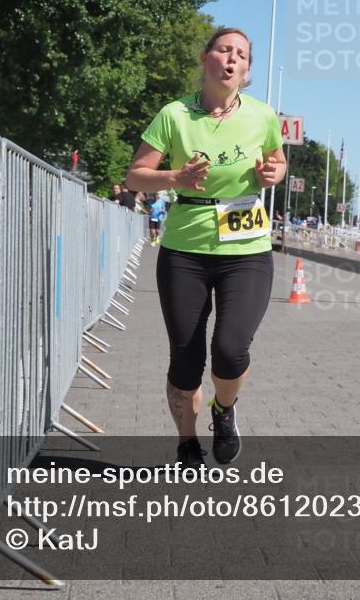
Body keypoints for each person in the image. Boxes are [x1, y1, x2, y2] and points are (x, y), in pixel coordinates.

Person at [125, 27, 286, 468]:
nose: (232, 59)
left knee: (231, 349)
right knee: (186, 359)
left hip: (247, 248)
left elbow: (278, 161)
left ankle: (224, 409)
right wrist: (174, 178)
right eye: (224, 50)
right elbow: (135, 175)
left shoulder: (262, 116)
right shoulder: (174, 115)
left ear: (247, 70)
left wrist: (274, 173)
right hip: (185, 250)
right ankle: (186, 441)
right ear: (206, 58)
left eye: (242, 55)